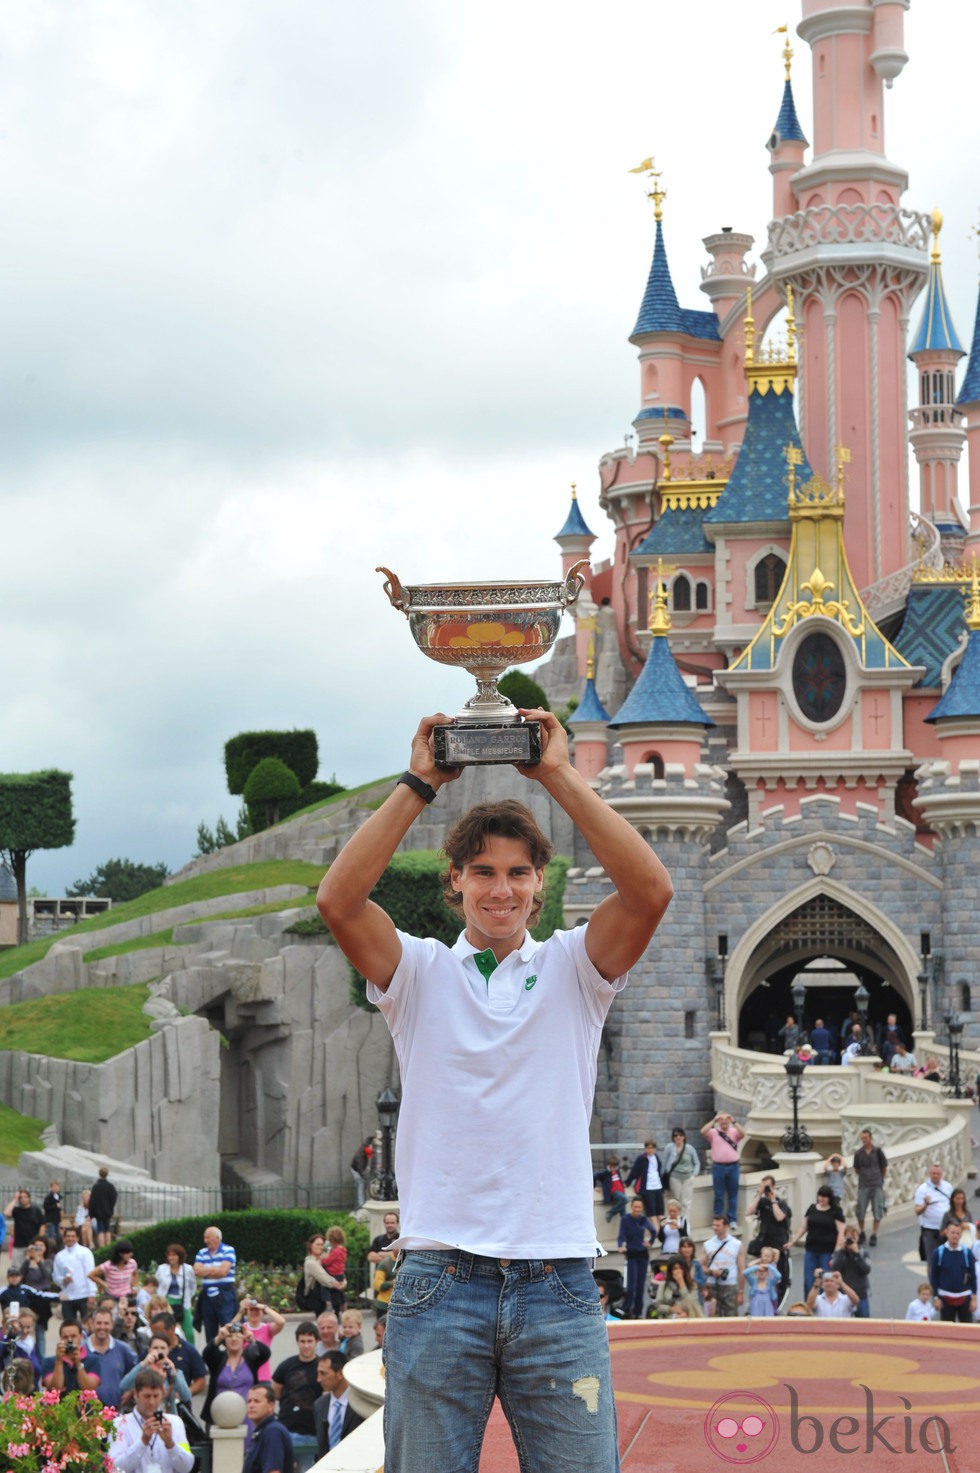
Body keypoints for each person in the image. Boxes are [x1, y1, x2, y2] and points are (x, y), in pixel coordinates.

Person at [316, 708, 673, 1473]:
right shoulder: (418, 973)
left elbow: (649, 891)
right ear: (455, 880)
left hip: (559, 1284)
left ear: (540, 882)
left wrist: (557, 774)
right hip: (439, 1284)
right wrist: (420, 781)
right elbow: (338, 903)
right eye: (482, 870)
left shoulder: (577, 969)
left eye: (517, 871)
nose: (500, 888)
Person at [107, 1367, 195, 1473]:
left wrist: (170, 1444)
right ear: (135, 1394)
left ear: (163, 1394)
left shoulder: (175, 1423)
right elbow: (115, 1468)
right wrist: (143, 1442)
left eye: (156, 1396)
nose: (152, 1402)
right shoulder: (120, 1424)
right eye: (147, 1396)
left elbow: (186, 1467)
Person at [271, 1321, 322, 1473]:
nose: (306, 1345)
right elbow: (276, 1390)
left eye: (309, 1341)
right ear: (297, 1342)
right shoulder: (286, 1365)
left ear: (316, 1342)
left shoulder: (322, 1367)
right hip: (286, 1429)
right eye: (302, 1341)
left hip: (311, 1432)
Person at [202, 1316, 270, 1425]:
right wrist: (219, 1337)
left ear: (243, 1339)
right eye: (229, 1336)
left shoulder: (250, 1357)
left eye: (238, 1336)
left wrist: (251, 1338)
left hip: (248, 1416)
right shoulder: (218, 1358)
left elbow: (266, 1353)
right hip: (220, 1415)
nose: (234, 1339)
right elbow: (206, 1354)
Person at [789, 1186, 846, 1296]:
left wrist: (836, 1252)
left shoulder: (836, 1211)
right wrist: (793, 1240)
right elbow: (803, 1227)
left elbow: (841, 1232)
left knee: (825, 1279)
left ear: (829, 1198)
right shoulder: (812, 1208)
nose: (821, 1199)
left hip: (827, 1252)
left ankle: (824, 1304)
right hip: (811, 1250)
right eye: (820, 1196)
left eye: (824, 1197)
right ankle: (809, 1305)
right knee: (809, 1280)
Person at [118, 1334, 193, 1415]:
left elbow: (186, 1396)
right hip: (143, 1416)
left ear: (168, 1350)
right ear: (149, 1350)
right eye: (155, 1348)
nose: (159, 1351)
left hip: (167, 1417)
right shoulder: (142, 1370)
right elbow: (123, 1386)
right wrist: (143, 1363)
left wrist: (172, 1371)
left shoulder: (174, 1372)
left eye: (163, 1348)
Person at [313, 1351, 364, 1456]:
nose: (318, 1379)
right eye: (318, 1373)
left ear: (340, 1374)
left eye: (323, 1373)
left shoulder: (361, 1404)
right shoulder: (319, 1405)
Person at [86, 1305, 138, 1409]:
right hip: (87, 1412)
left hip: (117, 1411)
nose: (102, 1327)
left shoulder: (123, 1349)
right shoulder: (81, 1350)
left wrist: (131, 1391)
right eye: (99, 1323)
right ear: (92, 1324)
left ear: (112, 1325)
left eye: (106, 1323)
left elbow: (138, 1372)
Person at [193, 1225, 238, 1343]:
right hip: (207, 1294)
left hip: (225, 1293)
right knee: (209, 1328)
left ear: (217, 1238)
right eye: (205, 1238)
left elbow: (223, 1271)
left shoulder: (228, 1250)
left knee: (228, 1326)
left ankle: (231, 1353)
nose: (205, 1241)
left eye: (208, 1238)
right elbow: (197, 1271)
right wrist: (215, 1270)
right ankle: (212, 1356)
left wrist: (206, 1270)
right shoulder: (202, 1252)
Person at [147, 1311, 207, 1398]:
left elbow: (201, 1381)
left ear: (172, 1329)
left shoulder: (189, 1351)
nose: (156, 1336)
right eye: (153, 1333)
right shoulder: (150, 1351)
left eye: (160, 1332)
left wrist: (183, 1394)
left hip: (180, 1406)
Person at [700, 1112, 745, 1226]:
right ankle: (718, 1219)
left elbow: (743, 1133)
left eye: (726, 1121)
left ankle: (732, 1219)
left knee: (733, 1195)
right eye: (722, 1121)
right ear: (719, 1122)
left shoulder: (734, 1132)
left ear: (729, 1122)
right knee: (719, 1194)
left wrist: (734, 1121)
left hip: (733, 1166)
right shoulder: (713, 1133)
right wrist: (713, 1121)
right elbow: (703, 1131)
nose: (724, 1123)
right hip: (718, 1167)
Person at [929, 1220, 977, 1323]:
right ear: (947, 1233)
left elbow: (973, 1276)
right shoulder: (938, 1253)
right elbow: (933, 1276)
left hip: (965, 1298)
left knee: (966, 1331)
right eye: (952, 1232)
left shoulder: (967, 1253)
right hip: (945, 1298)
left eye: (958, 1233)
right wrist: (936, 1298)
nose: (955, 1236)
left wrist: (974, 1298)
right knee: (947, 1332)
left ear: (960, 1235)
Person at [244, 1383, 295, 1473]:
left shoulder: (272, 1432)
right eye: (249, 1401)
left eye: (256, 1401)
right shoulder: (262, 1431)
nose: (251, 1405)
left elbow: (273, 1471)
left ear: (271, 1406)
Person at [618, 1197, 655, 1319]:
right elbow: (621, 1235)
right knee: (631, 1286)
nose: (637, 1209)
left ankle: (638, 1312)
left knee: (640, 1286)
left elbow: (653, 1231)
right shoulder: (625, 1219)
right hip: (632, 1255)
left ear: (642, 1208)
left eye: (640, 1207)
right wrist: (620, 1246)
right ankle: (627, 1309)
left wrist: (650, 1242)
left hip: (643, 1255)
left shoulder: (643, 1219)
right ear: (631, 1207)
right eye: (635, 1206)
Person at [700, 1215, 744, 1318]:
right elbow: (701, 1266)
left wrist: (741, 1291)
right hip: (712, 1285)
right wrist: (712, 1272)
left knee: (731, 1316)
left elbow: (741, 1269)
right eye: (713, 1225)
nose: (714, 1227)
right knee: (713, 1316)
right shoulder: (707, 1244)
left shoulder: (737, 1244)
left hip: (730, 1285)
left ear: (726, 1226)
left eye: (718, 1225)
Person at [42, 1318, 101, 1393]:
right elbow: (55, 1389)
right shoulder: (49, 1362)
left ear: (81, 1336)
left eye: (73, 1336)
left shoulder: (93, 1360)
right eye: (65, 1337)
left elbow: (89, 1389)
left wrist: (78, 1364)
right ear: (60, 1338)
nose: (69, 1340)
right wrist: (59, 1361)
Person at [52, 1222, 97, 1318]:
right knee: (69, 1325)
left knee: (87, 1325)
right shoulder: (59, 1256)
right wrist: (63, 1280)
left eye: (73, 1236)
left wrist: (92, 1294)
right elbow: (55, 1276)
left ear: (77, 1238)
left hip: (84, 1295)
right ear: (64, 1238)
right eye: (68, 1236)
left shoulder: (85, 1252)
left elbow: (91, 1274)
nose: (70, 1238)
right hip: (67, 1296)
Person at [155, 1244, 197, 1341]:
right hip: (165, 1302)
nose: (171, 1258)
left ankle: (192, 1353)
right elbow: (156, 1286)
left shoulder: (188, 1269)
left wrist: (187, 1298)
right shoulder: (161, 1269)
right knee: (166, 1330)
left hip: (183, 1303)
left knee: (189, 1333)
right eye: (169, 1255)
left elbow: (193, 1287)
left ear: (179, 1256)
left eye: (174, 1255)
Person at [853, 1128, 887, 1246]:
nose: (864, 1140)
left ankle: (874, 1234)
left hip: (876, 1184)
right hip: (864, 1185)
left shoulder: (878, 1151)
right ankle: (862, 1232)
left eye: (866, 1138)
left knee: (877, 1210)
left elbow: (884, 1167)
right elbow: (856, 1169)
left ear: (870, 1138)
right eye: (862, 1139)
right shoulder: (858, 1153)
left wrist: (880, 1179)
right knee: (860, 1210)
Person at [914, 1162, 954, 1264]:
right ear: (929, 1174)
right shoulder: (922, 1189)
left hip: (945, 1229)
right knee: (932, 1260)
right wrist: (925, 1204)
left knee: (947, 1259)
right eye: (933, 1173)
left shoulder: (948, 1187)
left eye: (938, 1173)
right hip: (929, 1230)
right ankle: (932, 1280)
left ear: (941, 1174)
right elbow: (917, 1211)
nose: (935, 1175)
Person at [659, 1128, 700, 1221]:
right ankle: (675, 1221)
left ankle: (685, 1223)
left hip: (687, 1177)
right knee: (676, 1201)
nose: (678, 1137)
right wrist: (662, 1176)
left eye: (680, 1135)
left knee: (686, 1202)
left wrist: (694, 1174)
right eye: (675, 1135)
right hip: (674, 1177)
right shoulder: (669, 1147)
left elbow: (697, 1163)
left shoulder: (690, 1148)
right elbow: (664, 1162)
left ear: (684, 1137)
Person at [830, 1228, 872, 1318]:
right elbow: (834, 1269)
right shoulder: (839, 1253)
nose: (850, 1240)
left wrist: (857, 1254)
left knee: (864, 1325)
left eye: (853, 1237)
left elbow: (866, 1270)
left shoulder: (863, 1253)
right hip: (843, 1296)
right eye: (848, 1237)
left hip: (861, 1295)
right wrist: (841, 1251)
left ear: (857, 1239)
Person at [242, 1296, 286, 1381]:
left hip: (263, 1378)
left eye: (257, 1310)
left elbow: (281, 1322)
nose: (254, 1312)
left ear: (263, 1312)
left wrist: (264, 1307)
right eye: (251, 1309)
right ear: (246, 1311)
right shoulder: (242, 1328)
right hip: (243, 1377)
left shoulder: (267, 1328)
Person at [301, 1233, 344, 1316]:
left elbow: (339, 1268)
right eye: (317, 1244)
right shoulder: (310, 1262)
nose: (320, 1247)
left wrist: (344, 1280)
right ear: (310, 1245)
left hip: (333, 1296)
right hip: (319, 1300)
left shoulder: (325, 1257)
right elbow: (324, 1278)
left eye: (322, 1244)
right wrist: (339, 1284)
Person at [626, 1140, 665, 1229]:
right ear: (645, 1149)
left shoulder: (656, 1157)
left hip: (658, 1187)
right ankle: (658, 1233)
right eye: (648, 1148)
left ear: (655, 1149)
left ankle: (665, 1233)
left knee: (661, 1213)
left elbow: (659, 1171)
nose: (650, 1150)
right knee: (652, 1214)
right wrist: (627, 1183)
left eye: (652, 1148)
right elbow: (634, 1172)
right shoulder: (641, 1158)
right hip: (647, 1188)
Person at [652, 1255, 704, 1319]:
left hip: (689, 1318)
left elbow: (691, 1304)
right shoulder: (664, 1285)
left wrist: (681, 1283)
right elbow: (658, 1306)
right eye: (675, 1268)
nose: (678, 1271)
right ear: (671, 1271)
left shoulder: (692, 1285)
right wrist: (671, 1309)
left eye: (680, 1268)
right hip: (669, 1318)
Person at [90, 1238, 139, 1305]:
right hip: (111, 1297)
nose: (130, 1254)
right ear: (120, 1254)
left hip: (127, 1296)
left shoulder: (132, 1263)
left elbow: (135, 1274)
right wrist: (103, 1283)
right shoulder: (108, 1265)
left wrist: (134, 1287)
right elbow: (91, 1275)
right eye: (127, 1253)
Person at [3, 1189, 43, 1269]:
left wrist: (40, 1241)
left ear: (29, 1198)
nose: (23, 1199)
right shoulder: (17, 1210)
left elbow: (42, 1225)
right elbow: (6, 1213)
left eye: (25, 1197)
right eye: (21, 1197)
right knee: (17, 1269)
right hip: (18, 1245)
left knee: (32, 1269)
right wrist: (15, 1199)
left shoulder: (36, 1210)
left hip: (32, 1244)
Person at [743, 1249, 781, 1316]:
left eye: (764, 1271)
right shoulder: (753, 1281)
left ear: (767, 1273)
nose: (762, 1273)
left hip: (767, 1306)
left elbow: (778, 1276)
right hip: (755, 1306)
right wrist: (757, 1267)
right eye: (760, 1271)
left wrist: (768, 1266)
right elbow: (745, 1273)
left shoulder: (770, 1282)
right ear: (756, 1272)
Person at [89, 1167, 118, 1248]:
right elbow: (114, 1198)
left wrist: (91, 1213)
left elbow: (92, 1201)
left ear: (99, 1174)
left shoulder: (96, 1186)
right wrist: (110, 1208)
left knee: (100, 1230)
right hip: (107, 1212)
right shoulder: (110, 1186)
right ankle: (108, 1247)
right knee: (107, 1230)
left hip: (98, 1212)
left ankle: (102, 1247)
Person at [593, 1156, 628, 1222]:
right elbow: (594, 1176)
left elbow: (618, 1180)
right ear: (609, 1166)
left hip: (621, 1191)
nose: (614, 1169)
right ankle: (611, 1212)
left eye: (616, 1167)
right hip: (614, 1192)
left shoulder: (617, 1171)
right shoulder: (605, 1172)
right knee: (626, 1199)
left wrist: (622, 1184)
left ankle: (624, 1231)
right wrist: (595, 1186)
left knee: (624, 1216)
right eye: (612, 1167)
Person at [322, 1227, 348, 1314]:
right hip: (340, 1273)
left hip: (333, 1273)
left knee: (325, 1286)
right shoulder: (343, 1250)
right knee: (339, 1291)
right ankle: (343, 1304)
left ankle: (328, 1302)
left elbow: (327, 1261)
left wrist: (322, 1260)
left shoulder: (335, 1251)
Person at [41, 1180, 63, 1250]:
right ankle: (50, 1249)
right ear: (51, 1187)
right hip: (50, 1219)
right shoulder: (48, 1197)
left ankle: (57, 1248)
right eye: (54, 1186)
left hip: (57, 1219)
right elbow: (45, 1206)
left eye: (57, 1186)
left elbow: (59, 1208)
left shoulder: (59, 1196)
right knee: (51, 1235)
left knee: (58, 1235)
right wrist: (55, 1206)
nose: (56, 1188)